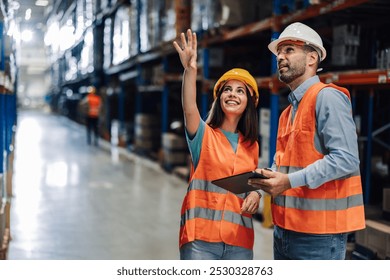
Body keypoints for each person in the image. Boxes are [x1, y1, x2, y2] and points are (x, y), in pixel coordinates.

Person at [248, 22, 365, 260]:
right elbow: (282, 163)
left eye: (289, 50)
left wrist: (289, 181)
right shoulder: (287, 113)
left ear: (312, 58)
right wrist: (261, 187)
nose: (280, 56)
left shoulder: (327, 98)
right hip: (284, 230)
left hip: (319, 236)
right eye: (279, 52)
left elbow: (347, 159)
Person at [173, 29, 262, 260]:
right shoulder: (203, 135)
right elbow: (189, 107)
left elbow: (246, 185)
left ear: (249, 102)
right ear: (219, 97)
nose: (233, 94)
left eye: (240, 91)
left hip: (239, 243)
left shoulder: (251, 146)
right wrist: (190, 70)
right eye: (227, 89)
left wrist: (255, 194)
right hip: (201, 241)